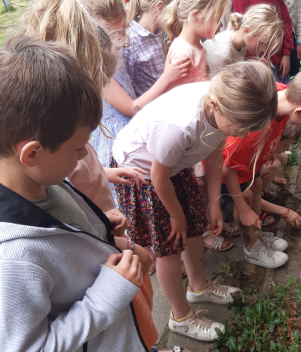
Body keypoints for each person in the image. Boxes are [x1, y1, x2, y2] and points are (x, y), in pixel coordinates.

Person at [23, 0, 174, 349]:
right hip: (102, 276)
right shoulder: (51, 159)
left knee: (139, 321)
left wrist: (103, 178)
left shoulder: (57, 149)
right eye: (100, 81)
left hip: (106, 243)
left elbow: (75, 183)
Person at [0, 34, 148, 352]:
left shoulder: (40, 179)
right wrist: (106, 297)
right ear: (32, 154)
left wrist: (95, 228)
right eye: (79, 147)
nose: (84, 156)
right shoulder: (12, 260)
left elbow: (60, 238)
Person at [112, 61, 278, 342]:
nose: (240, 134)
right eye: (239, 127)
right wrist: (176, 215)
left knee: (194, 229)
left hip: (174, 167)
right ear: (214, 105)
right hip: (145, 175)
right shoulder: (180, 125)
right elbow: (158, 175)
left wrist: (214, 202)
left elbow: (214, 154)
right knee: (170, 246)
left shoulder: (224, 104)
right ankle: (180, 316)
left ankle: (199, 287)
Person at [222, 66, 301, 268]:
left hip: (251, 164)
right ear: (300, 110)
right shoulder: (253, 129)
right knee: (247, 200)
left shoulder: (282, 93)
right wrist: (242, 209)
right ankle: (252, 248)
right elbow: (227, 169)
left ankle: (256, 235)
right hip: (232, 171)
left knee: (257, 185)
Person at [86, 0, 190, 204]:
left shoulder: (114, 53)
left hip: (132, 128)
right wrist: (167, 77)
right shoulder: (98, 67)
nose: (125, 40)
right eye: (117, 34)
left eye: (125, 30)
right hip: (115, 137)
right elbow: (131, 107)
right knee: (130, 195)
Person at [162, 0, 232, 252]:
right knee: (195, 185)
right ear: (195, 16)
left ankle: (206, 223)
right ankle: (200, 230)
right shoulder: (183, 51)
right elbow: (174, 100)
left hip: (199, 131)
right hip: (188, 134)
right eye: (218, 18)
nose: (223, 24)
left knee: (200, 185)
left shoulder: (197, 47)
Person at [202, 4, 283, 77]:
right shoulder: (223, 53)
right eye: (262, 43)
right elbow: (215, 87)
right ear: (246, 31)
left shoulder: (242, 44)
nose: (264, 49)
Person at [232, 0, 293, 83]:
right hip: (253, 63)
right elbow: (243, 27)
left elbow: (285, 23)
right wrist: (259, 59)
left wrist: (286, 52)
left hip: (275, 59)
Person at [282, 0, 301, 76]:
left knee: (293, 75)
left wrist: (299, 41)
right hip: (273, 39)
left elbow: (298, 11)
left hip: (290, 38)